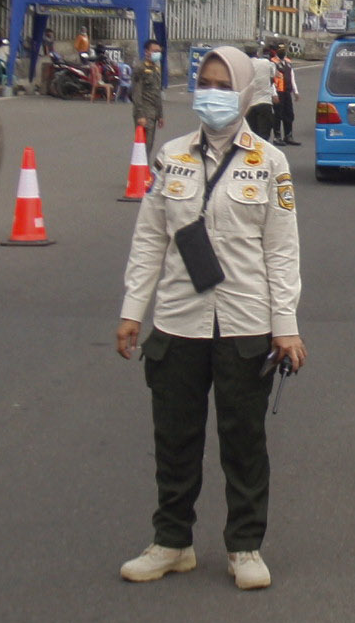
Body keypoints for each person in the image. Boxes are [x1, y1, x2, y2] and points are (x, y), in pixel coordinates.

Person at [113, 47, 305, 587]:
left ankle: (245, 546)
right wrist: (133, 311)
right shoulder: (170, 156)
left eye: (224, 84)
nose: (213, 92)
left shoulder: (270, 162)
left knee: (243, 440)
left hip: (246, 322)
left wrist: (285, 325)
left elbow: (282, 250)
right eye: (206, 81)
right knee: (174, 437)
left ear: (245, 94)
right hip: (177, 320)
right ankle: (171, 541)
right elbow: (151, 239)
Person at [128, 36, 165, 152]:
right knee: (143, 146)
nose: (157, 54)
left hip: (153, 113)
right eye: (154, 51)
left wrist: (160, 115)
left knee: (149, 145)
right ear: (146, 52)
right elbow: (136, 93)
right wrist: (140, 115)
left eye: (159, 52)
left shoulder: (157, 68)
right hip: (144, 111)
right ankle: (141, 169)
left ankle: (145, 169)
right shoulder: (140, 68)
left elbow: (157, 93)